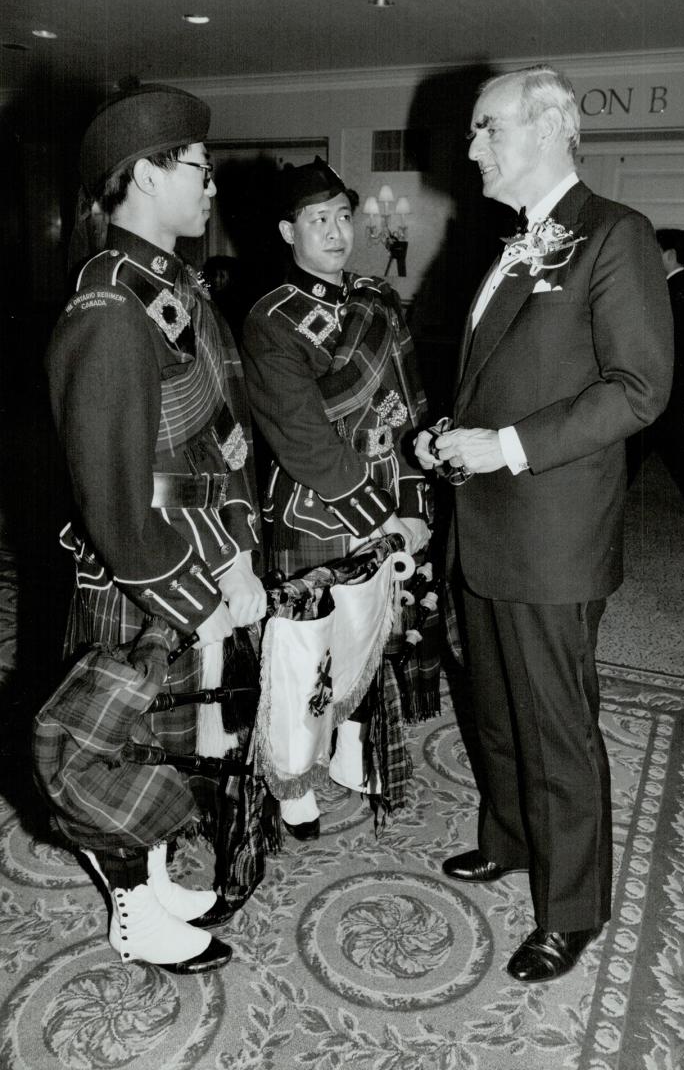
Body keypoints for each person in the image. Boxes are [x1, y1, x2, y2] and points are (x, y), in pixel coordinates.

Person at [415, 64, 673, 983]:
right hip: (479, 525)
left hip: (551, 535)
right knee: (490, 704)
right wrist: (454, 438)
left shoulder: (614, 235)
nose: (471, 146)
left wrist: (508, 447)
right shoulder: (509, 243)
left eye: (488, 128)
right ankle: (510, 839)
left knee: (556, 727)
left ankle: (571, 909)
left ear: (551, 128)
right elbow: (495, 376)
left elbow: (639, 389)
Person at [41, 83, 266, 973]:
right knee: (114, 752)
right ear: (142, 176)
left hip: (202, 548)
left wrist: (242, 549)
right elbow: (113, 499)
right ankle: (134, 918)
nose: (211, 187)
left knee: (167, 738)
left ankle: (159, 882)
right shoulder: (109, 309)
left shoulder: (173, 286)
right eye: (198, 170)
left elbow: (227, 431)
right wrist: (197, 596)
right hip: (145, 573)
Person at [241, 157, 430, 838]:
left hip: (383, 498)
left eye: (343, 216)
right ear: (288, 229)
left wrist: (410, 504)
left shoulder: (378, 296)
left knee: (366, 636)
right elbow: (302, 440)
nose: (335, 231)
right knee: (307, 648)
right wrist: (379, 517)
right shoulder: (270, 319)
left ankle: (350, 751)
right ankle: (290, 778)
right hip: (310, 510)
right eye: (317, 219)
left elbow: (409, 407)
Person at [628, 228, 684, 531]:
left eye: (655, 250)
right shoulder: (671, 287)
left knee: (671, 446)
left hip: (670, 383)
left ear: (669, 255)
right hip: (664, 382)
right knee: (643, 441)